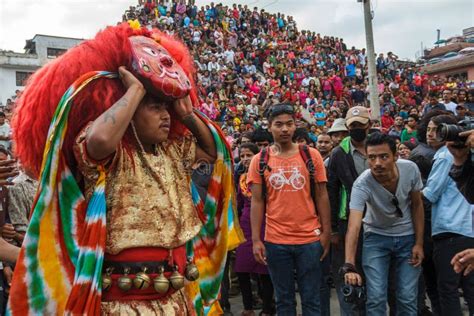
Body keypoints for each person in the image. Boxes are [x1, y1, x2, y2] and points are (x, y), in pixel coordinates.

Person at [8, 24, 242, 315]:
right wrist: (134, 90)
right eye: (154, 107)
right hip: (120, 304)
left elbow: (213, 151)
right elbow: (100, 139)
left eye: (167, 108)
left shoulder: (173, 150)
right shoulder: (108, 156)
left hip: (177, 299)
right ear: (127, 109)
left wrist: (187, 113)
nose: (165, 115)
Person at [248, 104, 331, 315]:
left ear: (295, 126)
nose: (284, 129)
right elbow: (257, 201)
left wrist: (326, 233)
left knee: (312, 299)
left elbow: (322, 195)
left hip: (309, 239)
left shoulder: (311, 155)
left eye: (289, 124)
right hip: (276, 241)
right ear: (270, 127)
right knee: (284, 301)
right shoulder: (259, 160)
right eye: (279, 125)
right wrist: (257, 240)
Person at [343, 133, 424, 315]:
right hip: (376, 238)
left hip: (407, 236)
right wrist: (349, 265)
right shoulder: (362, 184)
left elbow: (417, 205)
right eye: (372, 157)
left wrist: (419, 243)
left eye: (383, 156)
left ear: (395, 156)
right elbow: (354, 226)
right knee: (376, 297)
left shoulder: (410, 169)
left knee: (407, 297)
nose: (377, 163)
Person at [423, 114, 474, 315]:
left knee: (448, 289)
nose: (432, 133)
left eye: (436, 129)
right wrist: (460, 161)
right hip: (467, 230)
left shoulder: (444, 155)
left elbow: (431, 194)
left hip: (451, 230)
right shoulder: (456, 155)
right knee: (470, 290)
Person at [327, 106, 371, 315]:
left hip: (376, 221)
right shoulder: (339, 153)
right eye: (352, 125)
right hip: (346, 221)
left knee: (373, 273)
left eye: (360, 125)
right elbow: (331, 192)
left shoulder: (378, 147)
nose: (356, 128)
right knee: (349, 273)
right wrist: (333, 229)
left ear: (368, 125)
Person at [235, 142, 274, 316]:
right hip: (245, 224)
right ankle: (248, 307)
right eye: (242, 156)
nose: (245, 159)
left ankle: (267, 308)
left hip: (265, 223)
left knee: (264, 269)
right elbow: (240, 203)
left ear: (257, 156)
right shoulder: (241, 178)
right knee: (241, 268)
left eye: (248, 155)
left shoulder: (267, 174)